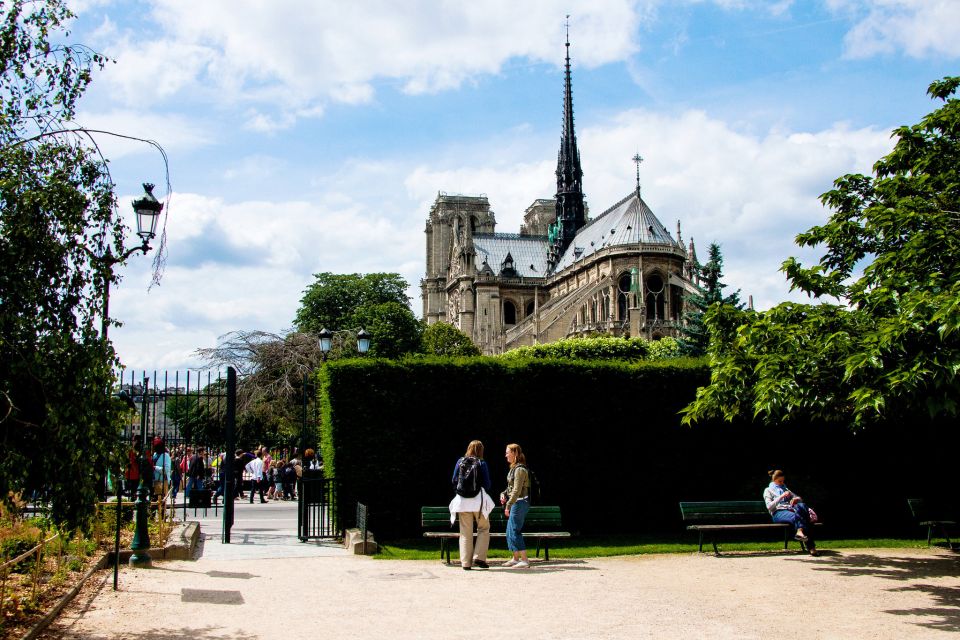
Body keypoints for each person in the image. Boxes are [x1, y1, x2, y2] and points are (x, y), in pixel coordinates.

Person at [449, 440, 494, 570]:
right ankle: (479, 557)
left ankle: (466, 563)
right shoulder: (482, 463)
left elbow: (454, 480)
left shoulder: (460, 462)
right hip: (478, 502)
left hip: (462, 502)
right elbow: (487, 484)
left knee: (465, 533)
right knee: (484, 528)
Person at [763, 469, 818, 556]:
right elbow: (769, 506)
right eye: (779, 481)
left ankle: (800, 531)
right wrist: (781, 496)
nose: (782, 483)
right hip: (778, 513)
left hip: (791, 511)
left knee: (802, 505)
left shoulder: (785, 488)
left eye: (783, 481)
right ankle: (811, 547)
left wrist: (796, 499)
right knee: (803, 518)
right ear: (774, 480)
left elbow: (799, 499)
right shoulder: (768, 490)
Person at [500, 443, 531, 568]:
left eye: (508, 452)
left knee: (514, 530)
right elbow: (510, 488)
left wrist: (508, 505)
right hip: (516, 502)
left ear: (515, 454)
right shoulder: (514, 468)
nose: (506, 455)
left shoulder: (520, 470)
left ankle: (525, 560)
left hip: (520, 503)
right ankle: (515, 558)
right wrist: (503, 493)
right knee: (509, 531)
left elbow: (517, 490)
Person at [152, 437, 171, 503]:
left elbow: (167, 469)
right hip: (154, 482)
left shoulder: (166, 456)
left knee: (161, 503)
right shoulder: (154, 455)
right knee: (153, 502)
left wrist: (155, 467)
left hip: (162, 482)